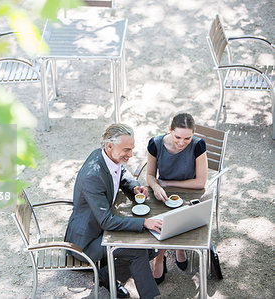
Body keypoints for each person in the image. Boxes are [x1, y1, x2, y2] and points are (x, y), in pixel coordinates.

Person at [65, 123, 162, 299]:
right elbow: (107, 221)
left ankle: (107, 275)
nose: (130, 155)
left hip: (101, 231)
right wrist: (145, 222)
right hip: (86, 242)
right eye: (126, 150)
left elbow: (121, 171)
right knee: (138, 249)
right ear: (109, 146)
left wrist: (134, 187)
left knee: (150, 247)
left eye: (132, 149)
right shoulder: (92, 176)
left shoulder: (106, 156)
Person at [146, 113, 207, 284]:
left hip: (190, 194)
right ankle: (161, 257)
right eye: (177, 136)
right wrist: (157, 186)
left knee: (177, 217)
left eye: (187, 138)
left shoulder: (198, 145)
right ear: (170, 130)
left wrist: (167, 182)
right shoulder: (155, 144)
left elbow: (201, 182)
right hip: (164, 194)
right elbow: (150, 175)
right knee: (161, 222)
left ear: (193, 134)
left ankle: (171, 251)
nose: (181, 142)